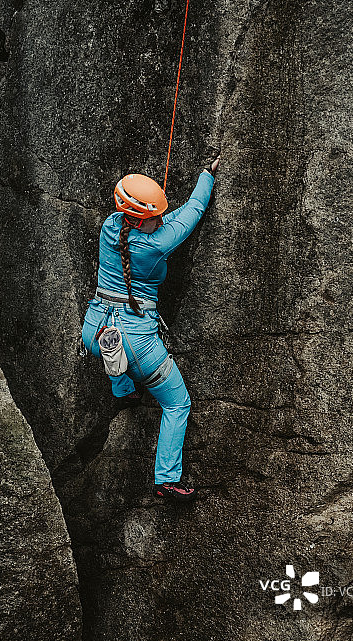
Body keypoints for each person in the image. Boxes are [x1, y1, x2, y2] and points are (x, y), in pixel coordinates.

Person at [82, 156, 220, 503]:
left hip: (95, 330)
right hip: (136, 344)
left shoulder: (111, 225)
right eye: (155, 216)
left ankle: (124, 390)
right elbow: (192, 212)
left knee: (113, 352)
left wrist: (157, 216)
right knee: (178, 404)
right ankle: (166, 479)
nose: (160, 219)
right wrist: (207, 174)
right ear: (139, 219)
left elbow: (165, 222)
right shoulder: (157, 244)